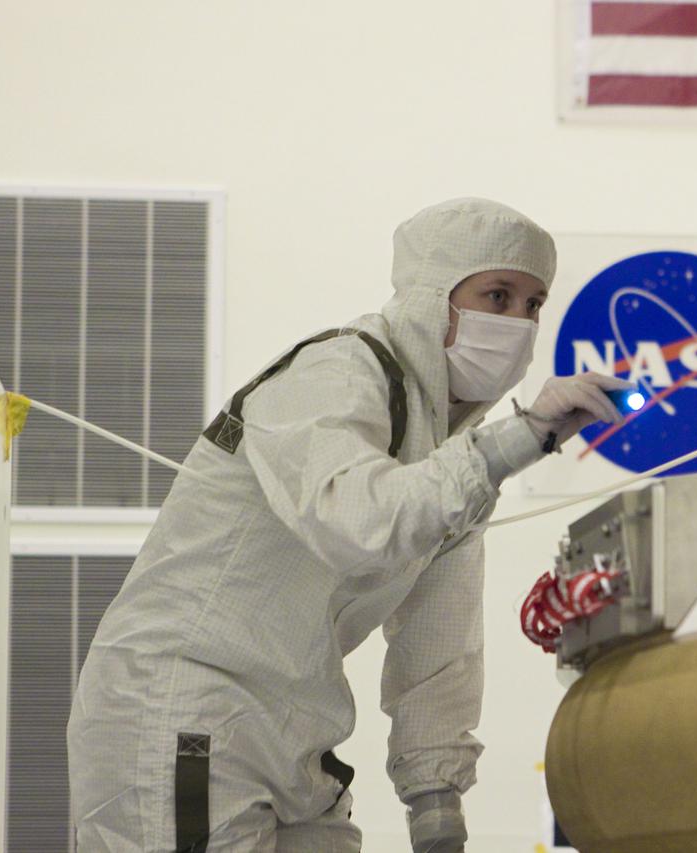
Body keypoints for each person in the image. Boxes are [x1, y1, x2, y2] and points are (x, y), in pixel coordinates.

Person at [67, 197, 629, 852]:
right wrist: (519, 438)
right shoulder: (338, 373)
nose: (517, 322)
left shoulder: (453, 457)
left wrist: (435, 797)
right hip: (182, 711)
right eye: (496, 295)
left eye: (533, 305)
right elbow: (357, 518)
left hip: (290, 734)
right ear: (431, 294)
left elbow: (441, 639)